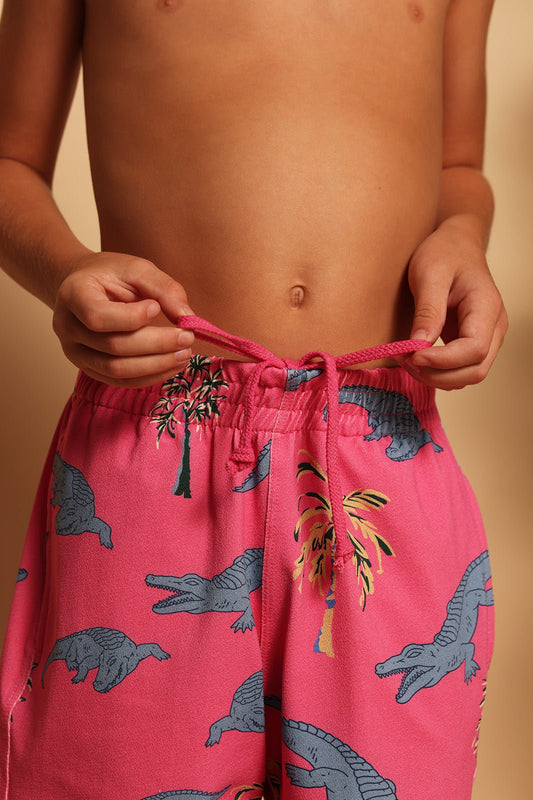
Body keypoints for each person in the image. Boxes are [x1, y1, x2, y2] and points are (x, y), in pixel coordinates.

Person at [0, 1, 507, 798]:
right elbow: (9, 158)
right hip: (158, 446)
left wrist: (462, 237)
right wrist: (64, 272)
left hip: (379, 458)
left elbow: (457, 165)